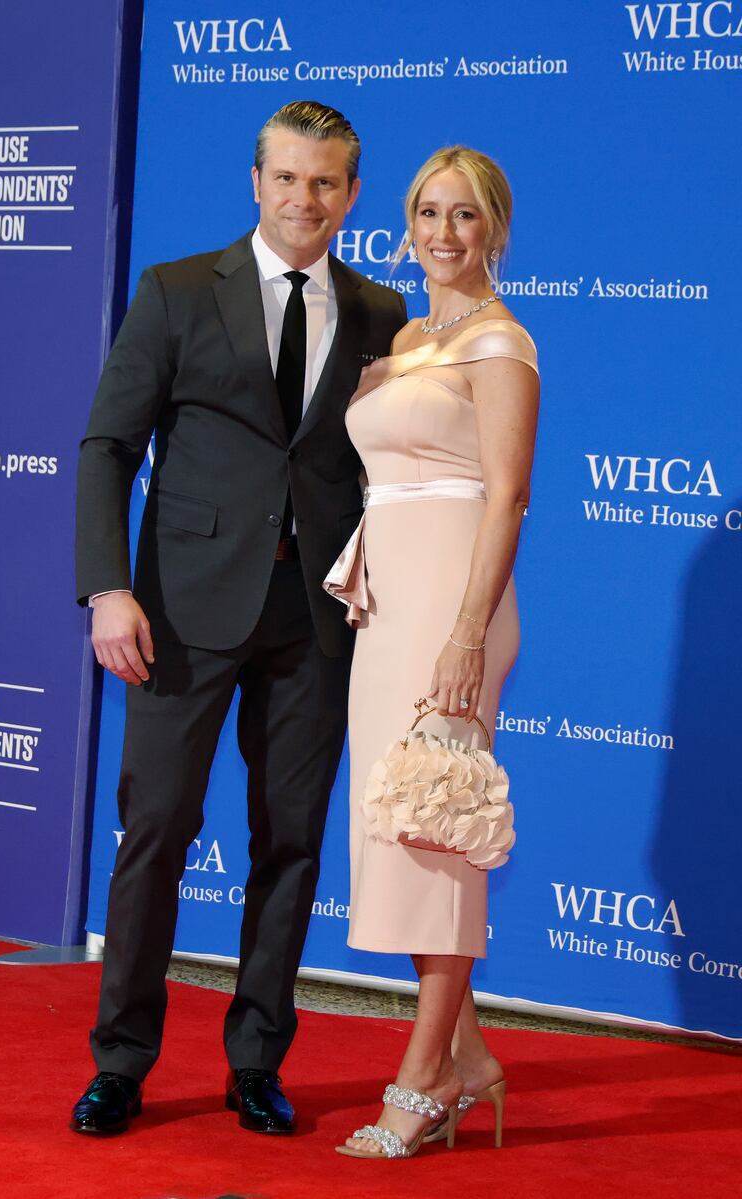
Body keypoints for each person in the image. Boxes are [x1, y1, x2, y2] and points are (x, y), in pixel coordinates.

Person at [71, 101, 406, 1137]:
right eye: (288, 179)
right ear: (254, 182)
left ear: (350, 195)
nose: (305, 200)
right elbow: (107, 446)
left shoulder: (379, 310)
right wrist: (107, 586)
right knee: (157, 832)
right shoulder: (176, 290)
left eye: (326, 183)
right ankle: (121, 1061)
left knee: (290, 841)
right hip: (180, 609)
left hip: (315, 617)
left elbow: (376, 464)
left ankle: (256, 1058)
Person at [324, 146, 539, 1158]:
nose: (442, 233)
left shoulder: (501, 343)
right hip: (385, 608)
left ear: (493, 227)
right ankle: (471, 1056)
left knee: (439, 835)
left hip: (452, 605)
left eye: (463, 216)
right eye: (426, 212)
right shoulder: (407, 335)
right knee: (399, 818)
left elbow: (505, 495)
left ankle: (421, 1074)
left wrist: (463, 634)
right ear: (404, 223)